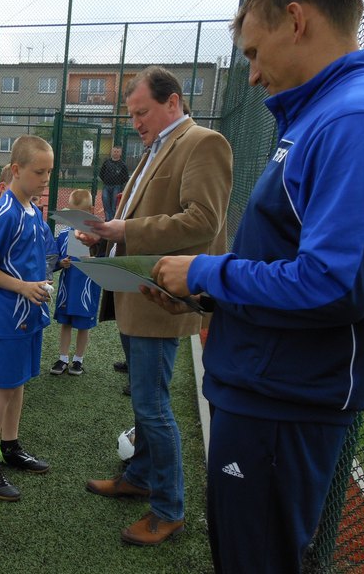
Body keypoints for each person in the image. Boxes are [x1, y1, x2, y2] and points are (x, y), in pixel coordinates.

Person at [147, 0, 364, 570]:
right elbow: (285, 260)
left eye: (252, 52)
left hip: (284, 400)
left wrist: (208, 273)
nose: (251, 75)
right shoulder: (319, 116)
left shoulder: (347, 119)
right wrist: (208, 295)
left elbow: (333, 283)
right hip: (267, 386)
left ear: (296, 21)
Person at [79, 66, 232, 545]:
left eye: (142, 112)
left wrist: (124, 230)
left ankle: (169, 510)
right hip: (137, 290)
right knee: (146, 404)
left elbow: (203, 221)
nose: (136, 122)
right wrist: (106, 234)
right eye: (132, 114)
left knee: (152, 406)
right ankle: (141, 477)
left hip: (161, 296)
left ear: (173, 101)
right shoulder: (157, 147)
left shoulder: (203, 142)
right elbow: (141, 217)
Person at [0, 135, 54, 501]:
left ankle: (10, 446)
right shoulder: (5, 213)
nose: (45, 179)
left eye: (49, 172)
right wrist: (22, 287)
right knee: (2, 387)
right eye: (39, 172)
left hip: (29, 315)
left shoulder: (32, 209)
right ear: (16, 170)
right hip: (7, 318)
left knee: (17, 384)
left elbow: (37, 258)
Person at [49, 189, 101, 376]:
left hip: (87, 291)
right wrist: (61, 263)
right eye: (72, 213)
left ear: (91, 210)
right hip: (67, 289)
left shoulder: (98, 235)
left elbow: (106, 259)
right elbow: (55, 259)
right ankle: (63, 358)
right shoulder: (64, 234)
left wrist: (94, 260)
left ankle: (78, 360)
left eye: (80, 213)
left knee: (83, 326)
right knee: (66, 323)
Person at [98, 146, 128, 221]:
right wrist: (106, 180)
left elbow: (125, 177)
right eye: (114, 151)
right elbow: (101, 173)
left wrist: (119, 183)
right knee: (106, 203)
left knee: (114, 205)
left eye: (118, 152)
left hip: (116, 187)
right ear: (111, 152)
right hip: (106, 186)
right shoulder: (106, 163)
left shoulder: (122, 165)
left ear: (120, 153)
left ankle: (112, 221)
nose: (116, 153)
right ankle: (108, 220)